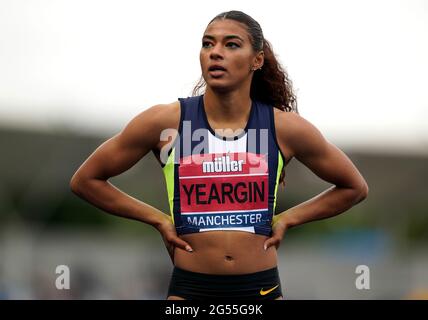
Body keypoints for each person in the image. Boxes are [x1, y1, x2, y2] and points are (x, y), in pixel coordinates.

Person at [69, 10, 369, 300]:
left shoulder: (285, 128)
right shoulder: (164, 123)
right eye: (207, 43)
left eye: (232, 44)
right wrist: (157, 219)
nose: (215, 52)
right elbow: (86, 180)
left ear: (257, 60)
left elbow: (353, 187)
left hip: (260, 289)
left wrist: (289, 219)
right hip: (190, 289)